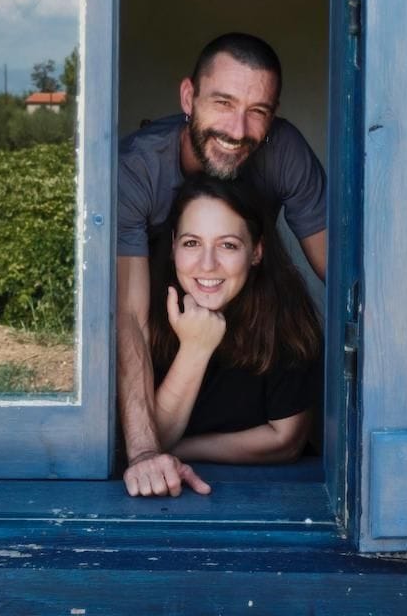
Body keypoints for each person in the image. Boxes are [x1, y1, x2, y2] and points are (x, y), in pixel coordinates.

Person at [118, 32, 327, 497]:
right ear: (189, 97)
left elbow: (345, 275)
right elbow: (128, 317)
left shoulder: (281, 322)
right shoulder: (137, 170)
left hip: (250, 331)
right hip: (164, 335)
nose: (238, 129)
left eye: (258, 112)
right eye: (224, 102)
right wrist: (143, 454)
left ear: (257, 249)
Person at [145, 175, 322, 477]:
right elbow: (148, 440)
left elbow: (285, 440)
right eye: (191, 243)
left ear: (256, 251)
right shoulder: (146, 311)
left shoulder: (285, 316)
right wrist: (195, 348)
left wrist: (178, 450)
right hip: (166, 495)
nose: (207, 263)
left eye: (228, 245)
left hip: (268, 493)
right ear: (173, 246)